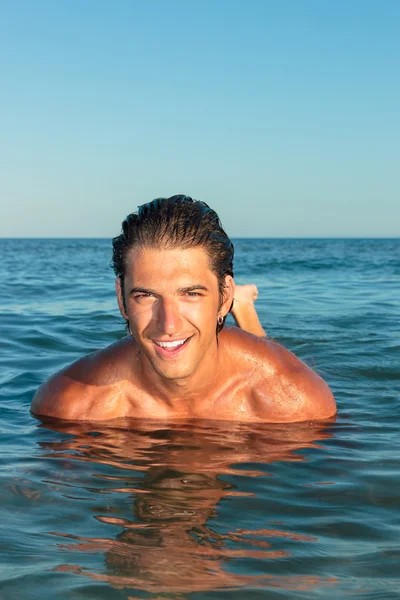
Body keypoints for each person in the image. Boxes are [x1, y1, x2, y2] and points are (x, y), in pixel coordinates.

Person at [31, 195, 336, 422]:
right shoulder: (69, 406)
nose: (168, 324)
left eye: (190, 293)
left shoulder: (295, 400)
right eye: (146, 296)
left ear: (222, 296)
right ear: (122, 300)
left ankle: (244, 309)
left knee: (265, 348)